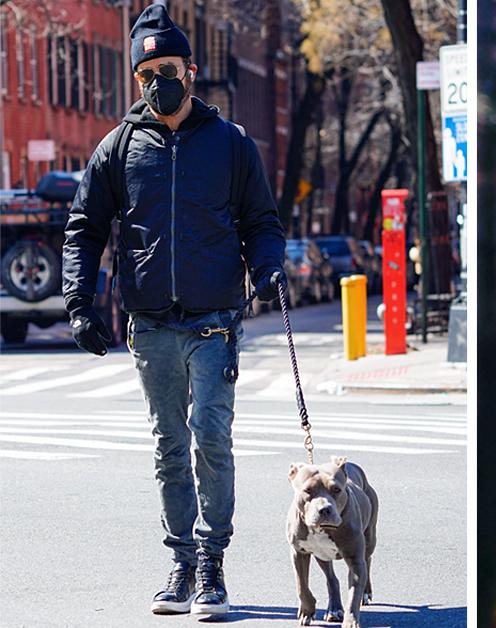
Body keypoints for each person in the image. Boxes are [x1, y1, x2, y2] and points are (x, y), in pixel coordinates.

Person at [61, 4, 285, 617]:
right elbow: (83, 227)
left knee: (211, 437)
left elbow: (262, 221)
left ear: (191, 69)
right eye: (145, 72)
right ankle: (181, 563)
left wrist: (268, 266)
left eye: (167, 68)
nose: (157, 80)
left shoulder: (231, 144)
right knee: (168, 446)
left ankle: (213, 564)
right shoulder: (118, 148)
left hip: (214, 323)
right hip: (151, 325)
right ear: (136, 80)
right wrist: (79, 303)